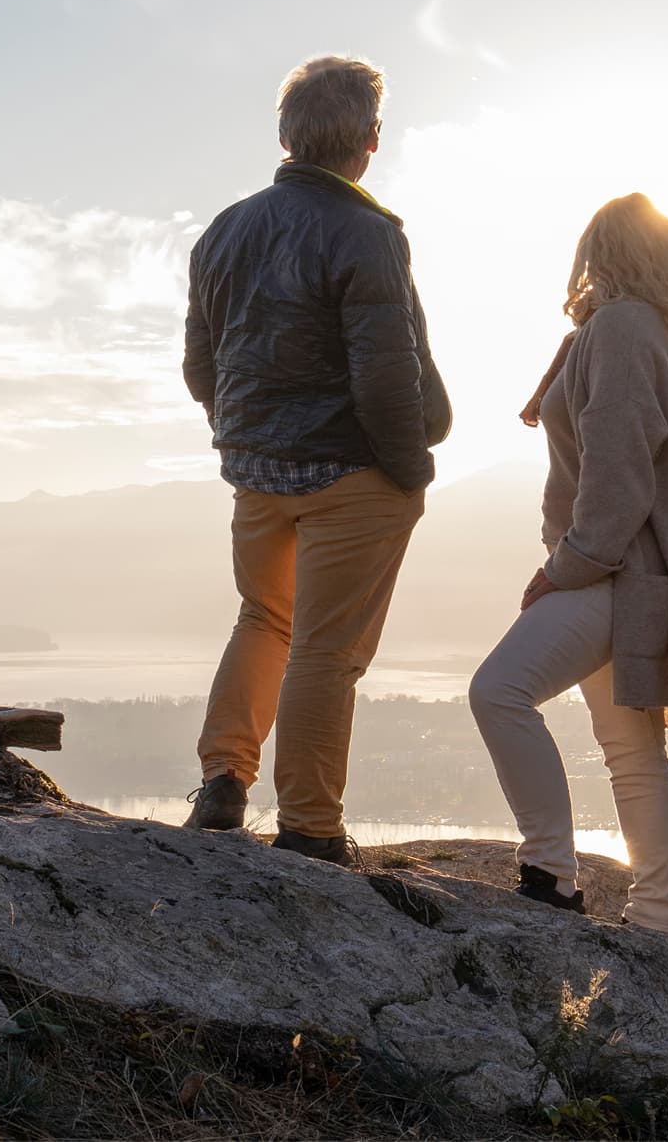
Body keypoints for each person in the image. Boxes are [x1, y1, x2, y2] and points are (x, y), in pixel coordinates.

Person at [180, 55, 452, 863]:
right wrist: (409, 469)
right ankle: (309, 829)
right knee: (325, 652)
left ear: (285, 133)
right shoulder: (367, 233)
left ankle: (223, 780)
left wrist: (246, 430)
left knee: (262, 618)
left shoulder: (223, 229)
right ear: (369, 140)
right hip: (349, 473)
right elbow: (383, 371)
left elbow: (202, 365)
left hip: (255, 472)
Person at [469, 193, 668, 943]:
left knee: (499, 691)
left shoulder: (617, 329)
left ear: (602, 253)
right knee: (633, 754)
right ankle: (659, 922)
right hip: (652, 575)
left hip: (610, 568)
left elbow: (617, 467)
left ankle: (547, 873)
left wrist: (570, 563)